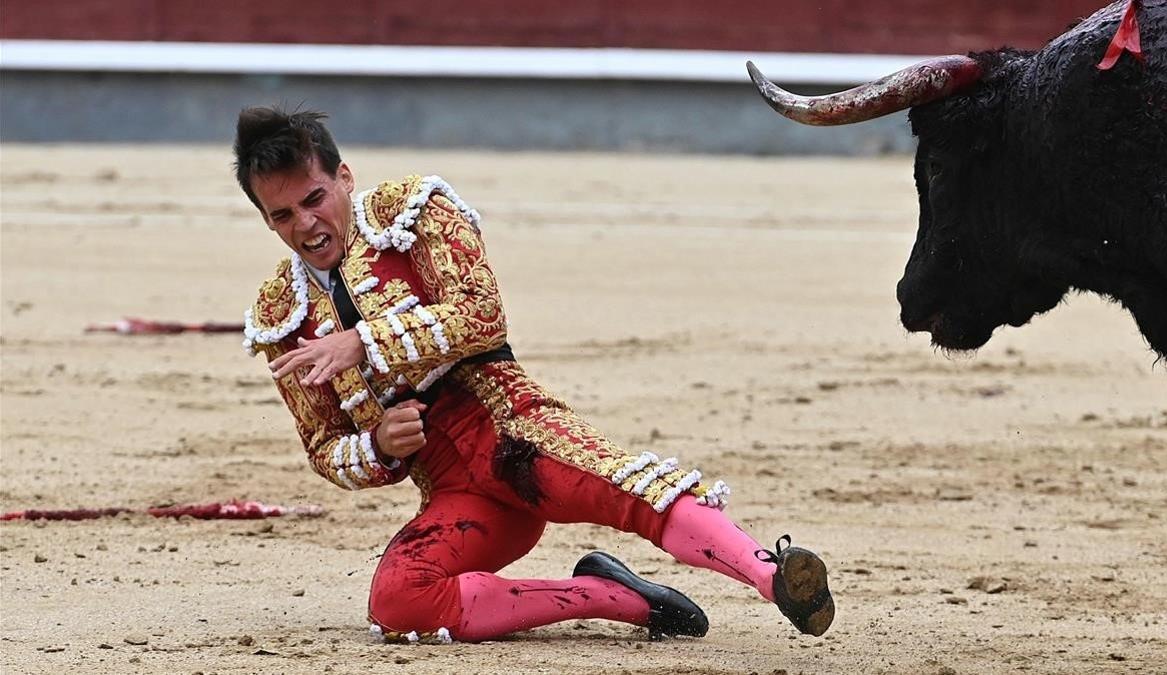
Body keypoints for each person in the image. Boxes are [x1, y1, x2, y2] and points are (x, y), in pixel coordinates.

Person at [237, 106, 835, 643]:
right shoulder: (280, 315)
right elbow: (323, 447)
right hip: (457, 492)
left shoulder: (413, 213)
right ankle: (613, 598)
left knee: (632, 488)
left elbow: (481, 314)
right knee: (399, 600)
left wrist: (364, 343)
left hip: (512, 431)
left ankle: (772, 576)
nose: (305, 224)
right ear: (267, 221)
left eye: (314, 199)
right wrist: (378, 446)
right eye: (283, 214)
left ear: (344, 177)